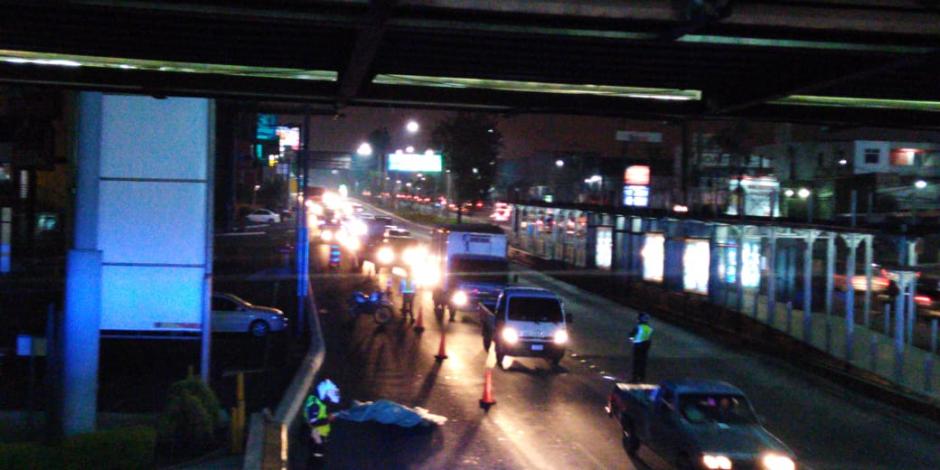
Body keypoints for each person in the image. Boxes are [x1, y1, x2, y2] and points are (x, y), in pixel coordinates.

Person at [304, 379, 341, 459]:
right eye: (329, 399)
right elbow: (313, 423)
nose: (330, 402)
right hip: (316, 435)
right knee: (317, 455)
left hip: (319, 434)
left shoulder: (317, 401)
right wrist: (328, 419)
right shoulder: (314, 405)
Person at [628, 313, 654, 383]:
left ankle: (634, 378)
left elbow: (631, 335)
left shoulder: (638, 327)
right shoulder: (649, 328)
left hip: (638, 346)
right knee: (643, 363)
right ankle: (642, 378)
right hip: (645, 347)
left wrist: (632, 340)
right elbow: (648, 338)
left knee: (636, 363)